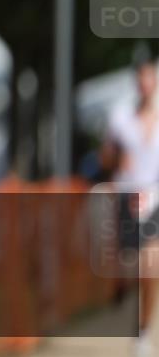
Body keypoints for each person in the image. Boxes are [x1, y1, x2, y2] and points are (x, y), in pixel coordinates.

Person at [100, 58, 159, 356]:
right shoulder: (121, 117)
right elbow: (104, 159)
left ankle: (143, 333)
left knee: (152, 264)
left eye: (150, 77)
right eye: (141, 77)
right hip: (126, 196)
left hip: (154, 197)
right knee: (128, 263)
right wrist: (115, 158)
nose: (145, 83)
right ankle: (120, 286)